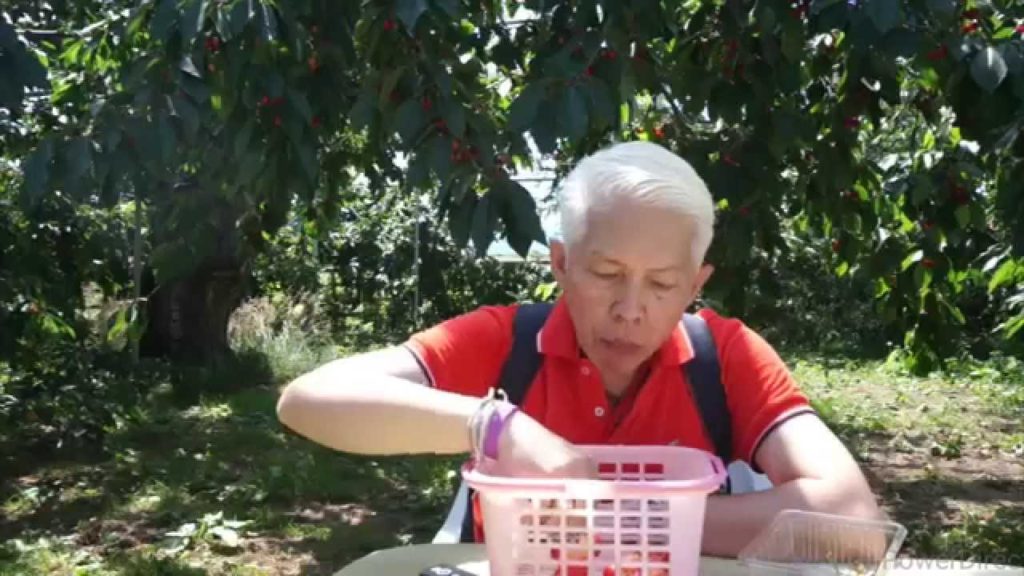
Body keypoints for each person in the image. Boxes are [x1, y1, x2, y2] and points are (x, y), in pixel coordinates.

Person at [275, 140, 882, 558]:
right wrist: (496, 426)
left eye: (664, 284)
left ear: (696, 286)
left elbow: (854, 522)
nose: (630, 308)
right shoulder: (507, 342)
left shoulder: (727, 357)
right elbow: (308, 401)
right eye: (606, 273)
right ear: (561, 264)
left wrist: (620, 523)